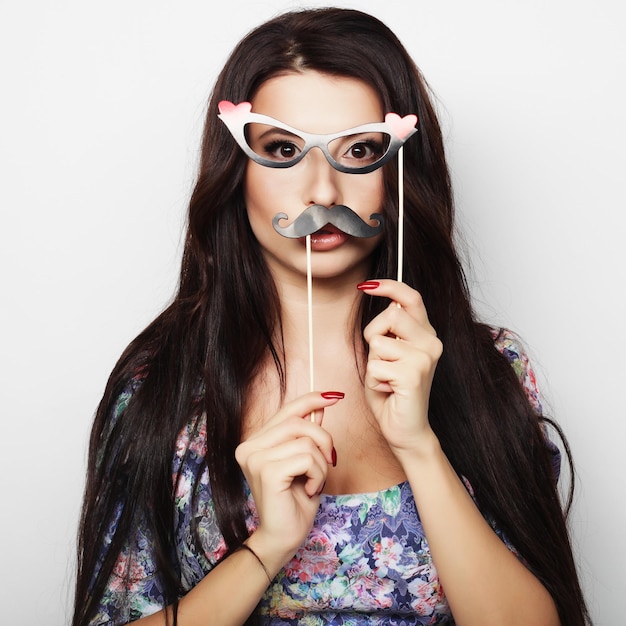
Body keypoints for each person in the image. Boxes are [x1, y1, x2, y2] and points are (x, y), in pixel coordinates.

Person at [72, 7, 591, 626]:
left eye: (360, 151)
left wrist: (419, 446)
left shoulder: (490, 370)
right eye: (283, 149)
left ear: (398, 172)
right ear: (236, 171)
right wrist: (266, 549)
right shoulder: (162, 387)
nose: (321, 193)